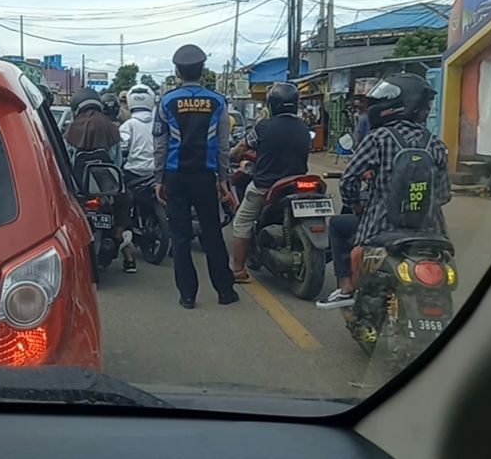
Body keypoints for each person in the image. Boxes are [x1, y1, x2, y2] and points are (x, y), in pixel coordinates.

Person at [316, 72, 451, 309]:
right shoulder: (436, 144)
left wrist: (356, 205)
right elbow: (443, 195)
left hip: (382, 227)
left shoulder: (379, 138)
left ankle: (347, 288)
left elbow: (349, 180)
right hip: (431, 230)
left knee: (338, 226)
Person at [153, 44, 238, 308]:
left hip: (175, 176)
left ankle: (187, 296)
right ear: (203, 70)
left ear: (178, 71)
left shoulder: (166, 102)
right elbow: (224, 146)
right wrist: (223, 179)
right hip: (205, 175)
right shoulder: (217, 101)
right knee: (212, 233)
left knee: (180, 237)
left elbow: (160, 145)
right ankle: (225, 292)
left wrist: (159, 179)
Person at [229, 82, 310, 283]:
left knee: (242, 221)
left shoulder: (263, 126)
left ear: (272, 104)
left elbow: (241, 147)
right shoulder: (303, 127)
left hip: (266, 186)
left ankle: (237, 269)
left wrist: (232, 155)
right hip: (296, 184)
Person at [66, 87, 137, 273]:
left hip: (80, 189)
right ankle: (119, 236)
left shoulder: (71, 129)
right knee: (127, 200)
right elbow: (117, 162)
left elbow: (66, 161)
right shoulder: (112, 128)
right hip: (108, 189)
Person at [120, 84, 156, 186]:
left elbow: (122, 151)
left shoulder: (127, 126)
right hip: (157, 174)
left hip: (133, 175)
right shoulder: (159, 124)